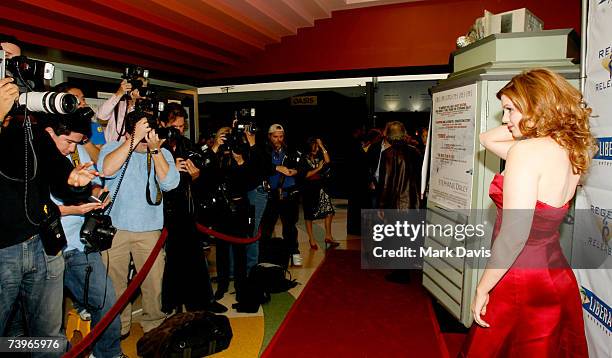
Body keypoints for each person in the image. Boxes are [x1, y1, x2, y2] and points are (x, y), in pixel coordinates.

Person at [461, 68, 593, 357]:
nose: (505, 120)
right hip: (554, 270)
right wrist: (529, 117)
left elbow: (513, 236)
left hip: (519, 274)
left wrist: (483, 288)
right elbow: (487, 139)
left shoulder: (527, 152)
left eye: (509, 110)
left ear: (536, 105)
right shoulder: (570, 148)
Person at [0, 38, 98, 357]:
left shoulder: (30, 118)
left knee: (47, 337)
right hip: (3, 252)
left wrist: (73, 179)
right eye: (4, 60)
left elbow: (54, 169)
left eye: (16, 62)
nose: (12, 70)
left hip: (43, 242)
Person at [44, 114, 124, 358]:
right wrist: (71, 209)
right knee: (46, 322)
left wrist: (98, 192)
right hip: (46, 249)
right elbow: (31, 210)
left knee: (106, 303)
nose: (71, 148)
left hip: (81, 244)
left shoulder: (78, 150)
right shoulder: (34, 158)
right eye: (68, 141)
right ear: (49, 132)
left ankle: (110, 354)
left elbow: (93, 183)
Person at [98, 113, 179, 338]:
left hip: (150, 229)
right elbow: (106, 170)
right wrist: (132, 141)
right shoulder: (112, 148)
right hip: (115, 228)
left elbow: (171, 183)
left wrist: (154, 151)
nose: (146, 139)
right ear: (128, 131)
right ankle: (119, 326)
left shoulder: (162, 153)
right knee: (114, 283)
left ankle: (154, 324)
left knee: (154, 282)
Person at [158, 103, 226, 313]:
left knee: (195, 258)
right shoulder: (155, 147)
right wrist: (171, 172)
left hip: (187, 209)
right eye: (174, 126)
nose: (178, 130)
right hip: (163, 211)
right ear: (162, 124)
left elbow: (205, 177)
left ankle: (202, 300)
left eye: (181, 126)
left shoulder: (188, 145)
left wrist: (196, 176)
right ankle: (172, 303)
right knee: (172, 261)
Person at [260, 124, 303, 266]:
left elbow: (303, 167)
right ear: (269, 136)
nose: (278, 139)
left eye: (281, 136)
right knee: (267, 227)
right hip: (271, 194)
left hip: (289, 193)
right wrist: (277, 168)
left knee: (290, 226)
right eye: (275, 136)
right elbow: (260, 167)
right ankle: (264, 255)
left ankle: (294, 251)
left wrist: (294, 171)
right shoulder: (264, 151)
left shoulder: (290, 150)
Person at [300, 137, 339, 249]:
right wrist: (318, 168)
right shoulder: (303, 158)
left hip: (321, 187)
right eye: (314, 148)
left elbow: (327, 161)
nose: (316, 150)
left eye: (316, 148)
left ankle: (328, 236)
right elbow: (305, 175)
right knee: (309, 215)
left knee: (329, 211)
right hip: (308, 189)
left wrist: (321, 146)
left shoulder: (319, 154)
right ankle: (311, 239)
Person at [98, 77, 149, 143]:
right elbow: (101, 115)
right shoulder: (117, 104)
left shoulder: (146, 110)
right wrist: (119, 93)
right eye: (139, 87)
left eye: (144, 88)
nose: (141, 91)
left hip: (131, 150)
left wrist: (135, 104)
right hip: (110, 149)